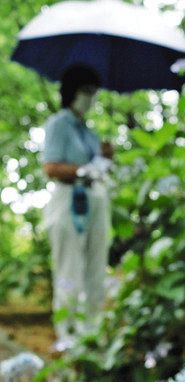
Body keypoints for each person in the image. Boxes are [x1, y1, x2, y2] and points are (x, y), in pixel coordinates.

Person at [42, 64, 113, 350]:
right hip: (68, 200)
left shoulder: (89, 132)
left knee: (96, 267)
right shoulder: (59, 124)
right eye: (86, 91)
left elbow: (99, 169)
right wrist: (84, 170)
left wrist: (106, 157)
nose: (91, 97)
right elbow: (51, 166)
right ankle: (68, 337)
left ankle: (91, 334)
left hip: (96, 200)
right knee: (69, 268)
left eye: (94, 92)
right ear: (71, 91)